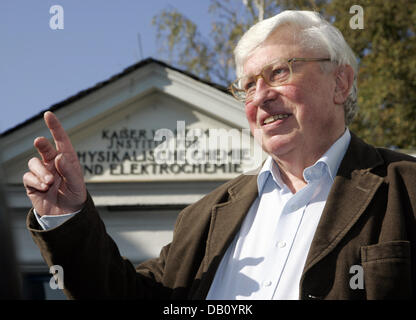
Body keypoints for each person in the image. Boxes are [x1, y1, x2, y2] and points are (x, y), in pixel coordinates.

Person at [24, 10, 416, 300]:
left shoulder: (405, 188)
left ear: (340, 82)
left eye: (279, 72)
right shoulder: (204, 217)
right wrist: (67, 217)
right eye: (247, 86)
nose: (260, 95)